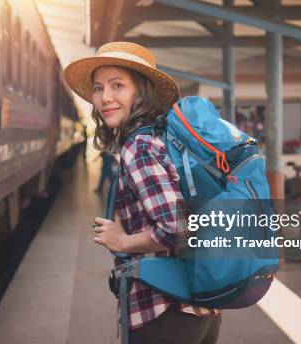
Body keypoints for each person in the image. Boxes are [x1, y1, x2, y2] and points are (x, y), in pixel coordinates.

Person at [64, 42, 221, 344]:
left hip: (163, 308)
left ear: (141, 93)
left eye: (118, 86)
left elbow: (178, 229)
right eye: (98, 88)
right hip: (199, 303)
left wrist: (124, 240)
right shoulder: (165, 138)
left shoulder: (140, 148)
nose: (104, 97)